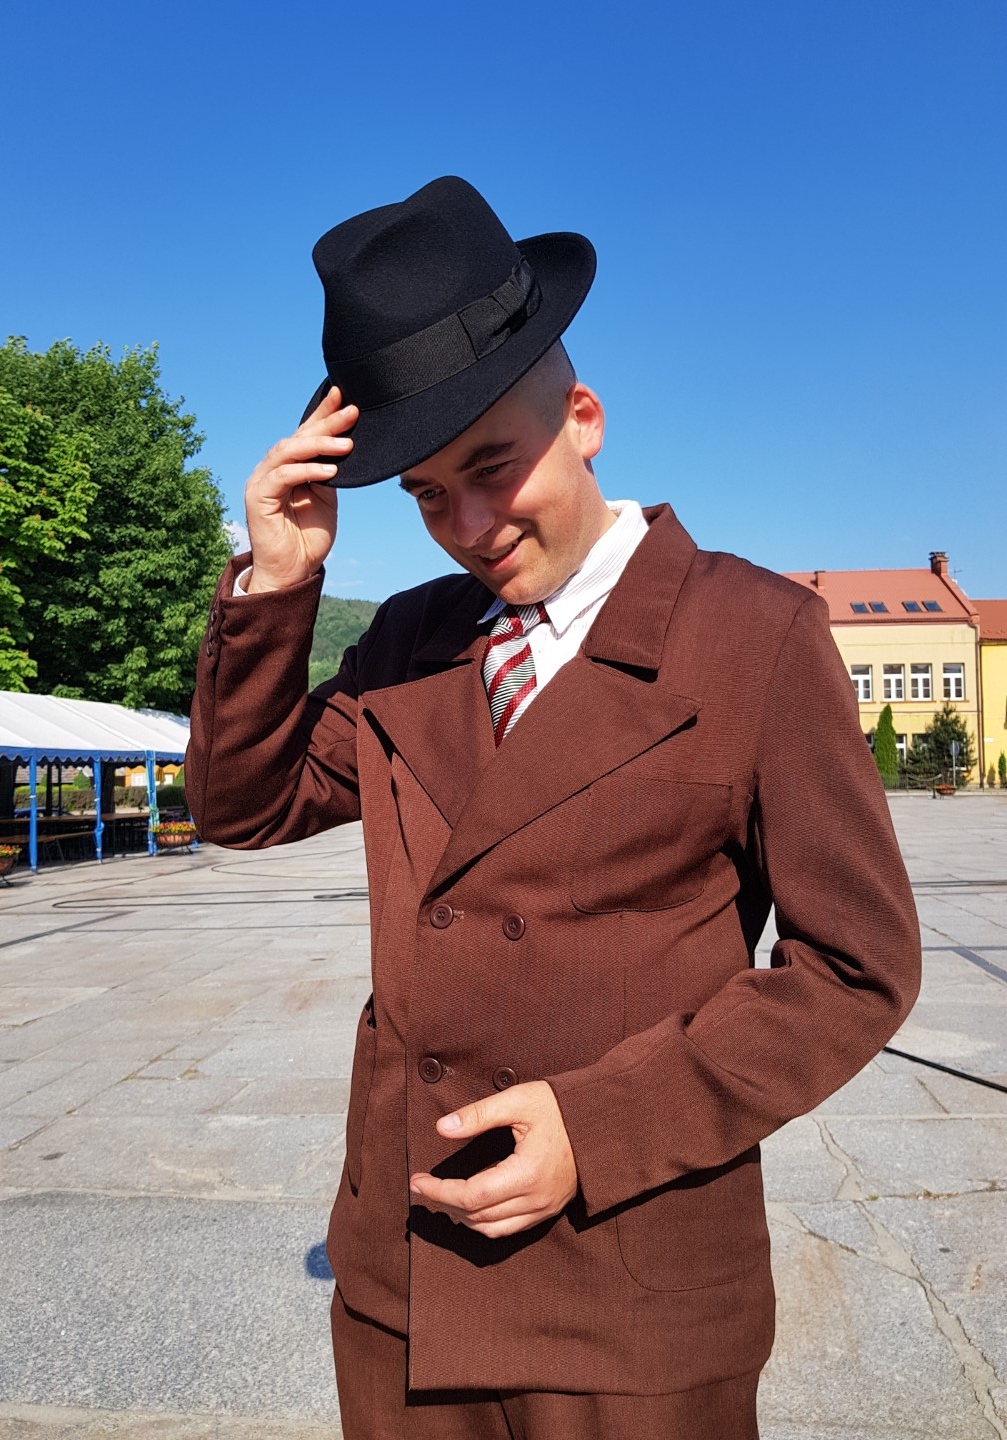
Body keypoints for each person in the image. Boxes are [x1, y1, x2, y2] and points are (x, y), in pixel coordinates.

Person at [187, 177, 921, 1439]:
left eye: (491, 466)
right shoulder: (410, 639)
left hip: (629, 1298)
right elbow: (243, 806)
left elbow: (855, 968)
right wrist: (279, 581)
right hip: (405, 1288)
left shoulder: (752, 636)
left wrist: (603, 1124)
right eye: (425, 494)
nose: (467, 526)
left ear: (583, 419)